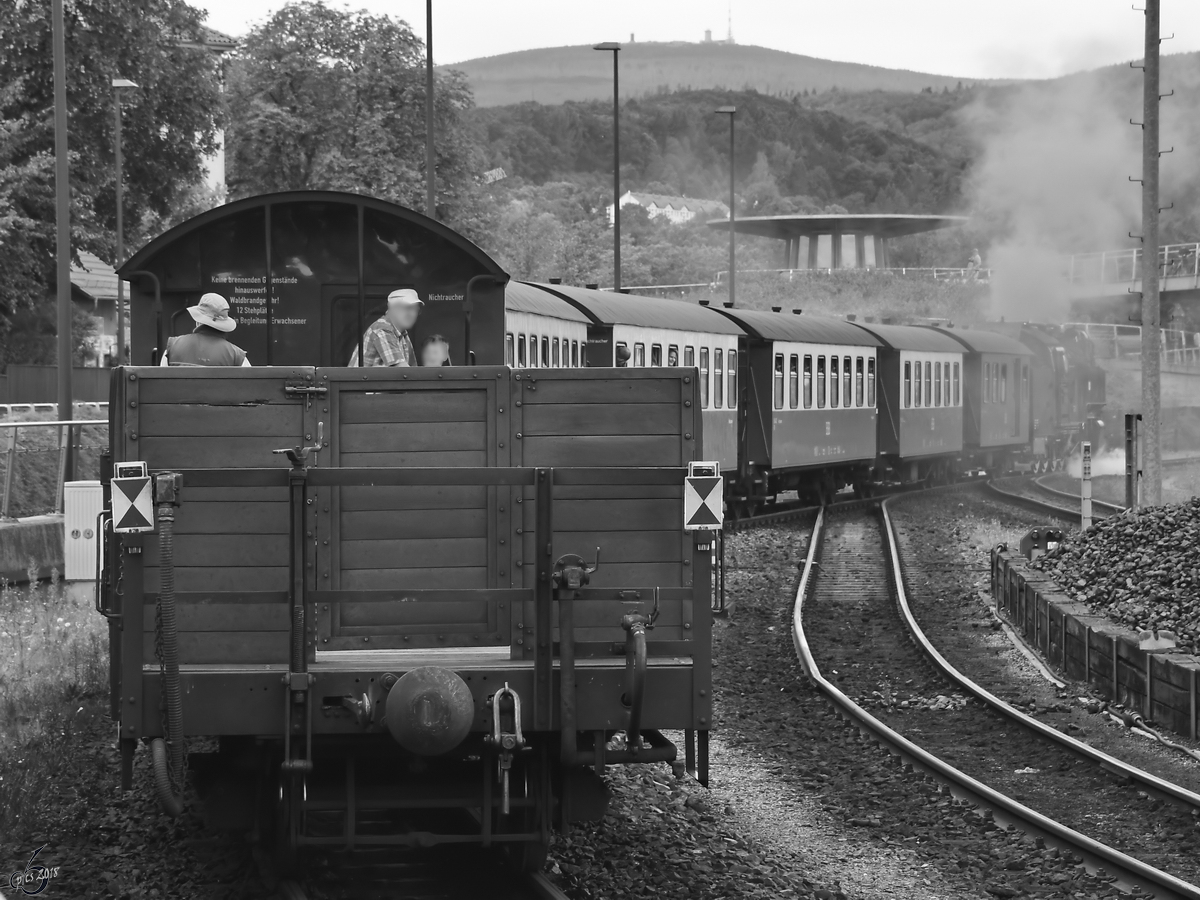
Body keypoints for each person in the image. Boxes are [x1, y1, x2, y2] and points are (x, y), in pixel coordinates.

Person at [159, 292, 250, 366]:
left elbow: (160, 383)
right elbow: (251, 386)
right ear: (224, 324)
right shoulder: (236, 356)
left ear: (198, 320)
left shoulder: (172, 347)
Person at [348, 288, 423, 366]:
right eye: (408, 308)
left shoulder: (402, 334)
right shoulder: (382, 329)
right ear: (392, 308)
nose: (413, 314)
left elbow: (413, 369)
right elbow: (402, 371)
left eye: (416, 310)